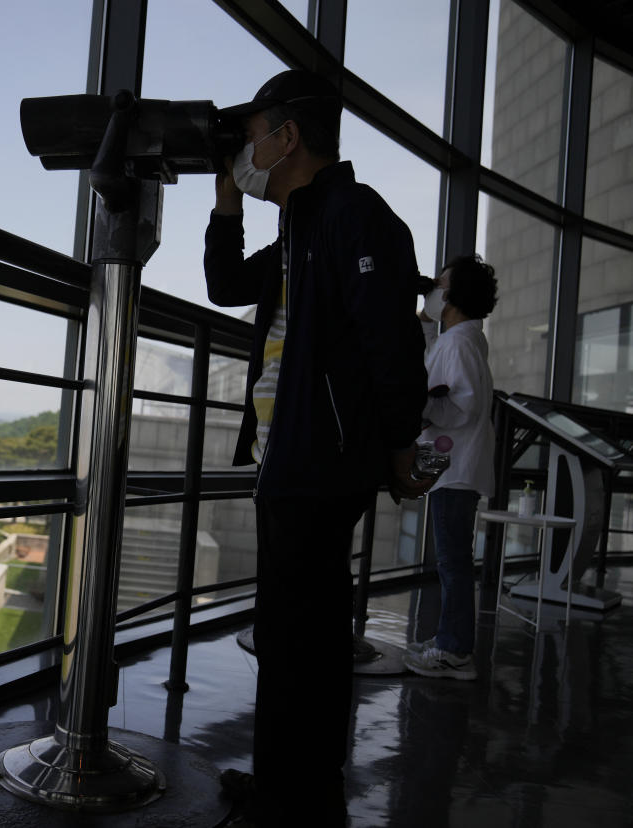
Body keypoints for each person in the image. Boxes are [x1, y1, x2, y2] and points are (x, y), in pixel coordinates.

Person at [203, 68, 431, 826]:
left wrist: (399, 444)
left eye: (250, 139)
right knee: (295, 632)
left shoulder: (357, 218)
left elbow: (392, 343)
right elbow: (224, 283)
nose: (247, 151)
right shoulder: (298, 228)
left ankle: (295, 793)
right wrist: (226, 202)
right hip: (288, 457)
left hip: (321, 460)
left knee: (304, 637)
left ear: (287, 136)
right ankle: (286, 783)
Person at [404, 254, 499, 681]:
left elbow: (463, 404)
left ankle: (455, 652)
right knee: (453, 560)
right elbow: (424, 361)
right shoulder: (460, 338)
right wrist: (425, 318)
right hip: (453, 464)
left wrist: (421, 408)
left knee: (453, 563)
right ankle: (450, 639)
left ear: (454, 294)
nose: (434, 288)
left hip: (455, 468)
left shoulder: (459, 342)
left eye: (440, 284)